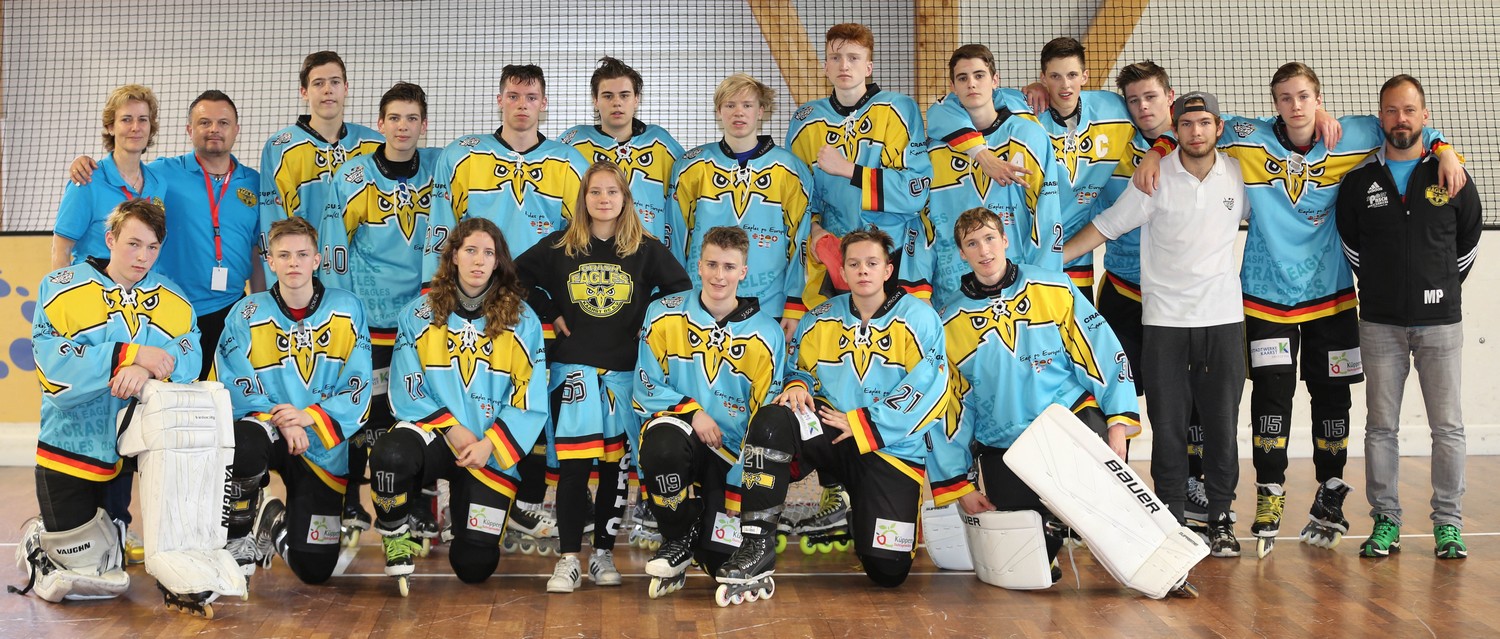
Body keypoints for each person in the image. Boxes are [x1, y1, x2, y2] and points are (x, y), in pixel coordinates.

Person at [1133, 62, 1466, 556]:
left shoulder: (1352, 134)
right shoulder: (1247, 137)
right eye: (1286, 98)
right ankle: (1269, 493)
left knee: (1333, 397)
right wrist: (1157, 150)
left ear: (1318, 99)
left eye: (1304, 96)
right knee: (1272, 399)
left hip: (1331, 298)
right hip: (1267, 300)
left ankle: (1330, 491)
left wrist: (1447, 150)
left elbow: (1407, 125)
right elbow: (1191, 126)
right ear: (1274, 104)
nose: (1295, 106)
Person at [1063, 92, 1250, 558]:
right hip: (1165, 324)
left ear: (1218, 127)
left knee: (1222, 426)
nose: (1195, 132)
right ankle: (1172, 520)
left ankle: (1221, 518)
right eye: (1186, 124)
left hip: (1224, 322)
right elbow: (1106, 225)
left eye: (1204, 123)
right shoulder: (1155, 177)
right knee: (1167, 427)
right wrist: (1050, 263)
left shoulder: (1239, 173)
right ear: (1175, 129)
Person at [723, 227, 950, 604]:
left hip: (889, 448)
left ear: (887, 270)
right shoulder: (820, 317)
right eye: (854, 264)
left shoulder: (920, 317)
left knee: (887, 571)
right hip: (828, 429)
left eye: (872, 263)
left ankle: (857, 511)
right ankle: (756, 546)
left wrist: (864, 423)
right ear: (842, 271)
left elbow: (932, 386)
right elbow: (796, 369)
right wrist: (797, 384)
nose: (863, 271)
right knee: (771, 421)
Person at [425, 64, 589, 553]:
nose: (522, 104)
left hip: (540, 309)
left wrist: (568, 305)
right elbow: (441, 228)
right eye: (513, 95)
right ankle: (461, 502)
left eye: (531, 97)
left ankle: (525, 503)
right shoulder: (461, 155)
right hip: (470, 304)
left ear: (544, 104)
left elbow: (577, 242)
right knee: (472, 397)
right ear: (499, 100)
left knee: (532, 405)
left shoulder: (570, 162)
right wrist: (436, 294)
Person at [932, 208, 1138, 577]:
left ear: (1005, 240)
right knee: (1027, 568)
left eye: (990, 238)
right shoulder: (948, 321)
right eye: (972, 244)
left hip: (1067, 424)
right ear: (962, 253)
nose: (984, 250)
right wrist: (959, 483)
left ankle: (1085, 520)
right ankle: (1059, 523)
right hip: (1005, 445)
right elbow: (951, 411)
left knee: (1108, 516)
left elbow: (1103, 353)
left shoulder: (1054, 287)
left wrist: (1118, 425)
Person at [515, 160, 691, 593]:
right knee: (574, 469)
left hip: (623, 377)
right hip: (573, 372)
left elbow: (681, 290)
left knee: (616, 471)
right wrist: (549, 311)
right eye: (595, 191)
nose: (604, 199)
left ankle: (603, 554)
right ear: (583, 199)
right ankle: (568, 559)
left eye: (612, 191)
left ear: (625, 198)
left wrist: (645, 323)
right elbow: (513, 277)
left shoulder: (645, 249)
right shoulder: (560, 245)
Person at [19, 199, 201, 603]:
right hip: (69, 448)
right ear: (110, 239)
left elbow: (191, 353)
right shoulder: (60, 288)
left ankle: (110, 536)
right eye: (133, 244)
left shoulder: (174, 298)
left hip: (129, 451)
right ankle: (39, 542)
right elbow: (53, 367)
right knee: (86, 575)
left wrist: (147, 370)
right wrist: (129, 354)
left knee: (108, 571)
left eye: (152, 247)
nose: (142, 257)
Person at [1335, 75, 1481, 560]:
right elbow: (1351, 243)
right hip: (1380, 323)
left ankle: (1449, 525)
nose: (1401, 119)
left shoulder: (1450, 174)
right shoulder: (1359, 181)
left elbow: (1468, 239)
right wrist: (1383, 287)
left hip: (1441, 324)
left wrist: (1440, 286)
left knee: (1448, 427)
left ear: (1425, 116)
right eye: (1392, 110)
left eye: (1409, 110)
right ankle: (1386, 521)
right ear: (1381, 117)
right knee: (1381, 427)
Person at [368, 216, 549, 591]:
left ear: (498, 261)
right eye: (470, 251)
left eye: (488, 253)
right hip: (435, 435)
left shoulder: (523, 321)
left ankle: (468, 510)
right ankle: (395, 530)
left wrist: (489, 444)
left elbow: (529, 398)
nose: (479, 260)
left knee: (474, 565)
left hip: (486, 449)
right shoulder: (418, 314)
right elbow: (406, 386)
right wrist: (451, 427)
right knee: (390, 455)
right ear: (453, 256)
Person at [632, 226, 788, 600]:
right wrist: (693, 413)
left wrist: (739, 486)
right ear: (698, 266)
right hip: (679, 432)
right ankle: (677, 537)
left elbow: (766, 418)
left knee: (719, 562)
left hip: (729, 455)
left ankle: (701, 532)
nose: (719, 275)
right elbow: (645, 385)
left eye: (729, 267)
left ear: (743, 272)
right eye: (712, 265)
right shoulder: (662, 313)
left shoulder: (768, 333)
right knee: (662, 447)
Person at [214, 217, 373, 585]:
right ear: (270, 261)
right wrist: (281, 418)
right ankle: (236, 539)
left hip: (322, 442)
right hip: (269, 428)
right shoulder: (246, 313)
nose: (293, 263)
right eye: (284, 255)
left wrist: (308, 417)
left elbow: (358, 385)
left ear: (316, 260)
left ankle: (270, 520)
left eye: (302, 254)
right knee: (243, 443)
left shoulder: (348, 308)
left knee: (315, 569)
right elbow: (231, 381)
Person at [70, 90, 264, 380]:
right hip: (172, 309)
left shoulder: (254, 182)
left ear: (236, 129)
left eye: (223, 123)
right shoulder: (162, 174)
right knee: (174, 395)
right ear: (189, 130)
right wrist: (84, 163)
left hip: (232, 308)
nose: (214, 129)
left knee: (230, 395)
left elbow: (256, 250)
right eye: (204, 122)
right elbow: (124, 169)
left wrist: (258, 306)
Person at [325, 81, 443, 546]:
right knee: (364, 412)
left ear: (424, 125)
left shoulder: (439, 167)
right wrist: (340, 313)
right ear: (380, 124)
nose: (403, 127)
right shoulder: (352, 177)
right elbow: (334, 246)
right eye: (394, 118)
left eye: (412, 118)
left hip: (424, 318)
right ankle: (351, 502)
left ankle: (422, 506)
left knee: (420, 409)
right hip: (369, 318)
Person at [927, 37, 1134, 302]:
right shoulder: (1022, 106)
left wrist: (1157, 151)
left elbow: (1159, 116)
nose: (1065, 85)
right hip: (1026, 254)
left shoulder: (1114, 109)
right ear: (1043, 79)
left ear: (1085, 76)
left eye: (1072, 75)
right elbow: (942, 110)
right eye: (1055, 76)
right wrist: (981, 154)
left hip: (1076, 252)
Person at [785, 23, 933, 311]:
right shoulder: (805, 120)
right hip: (834, 260)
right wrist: (814, 230)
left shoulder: (898, 109)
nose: (844, 65)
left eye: (853, 58)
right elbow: (797, 197)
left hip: (893, 255)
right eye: (835, 58)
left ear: (869, 67)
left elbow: (914, 192)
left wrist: (849, 170)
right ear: (825, 66)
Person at [669, 73, 813, 341]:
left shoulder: (791, 170)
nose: (739, 112)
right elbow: (676, 237)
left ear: (761, 111)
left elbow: (800, 241)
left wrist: (794, 303)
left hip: (768, 304)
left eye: (747, 105)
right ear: (718, 111)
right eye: (730, 105)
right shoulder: (690, 166)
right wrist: (676, 295)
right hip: (700, 301)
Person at [926, 44, 1063, 310]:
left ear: (995, 80)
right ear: (953, 87)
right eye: (962, 78)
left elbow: (1047, 217)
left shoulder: (1028, 136)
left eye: (979, 75)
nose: (971, 84)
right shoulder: (936, 149)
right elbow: (925, 224)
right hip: (953, 290)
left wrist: (1045, 282)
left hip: (1019, 286)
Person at [260, 51, 383, 281]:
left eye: (335, 82)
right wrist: (279, 285)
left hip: (364, 277)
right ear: (304, 92)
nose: (328, 89)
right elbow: (273, 220)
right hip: (305, 277)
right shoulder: (280, 147)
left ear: (346, 88)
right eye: (318, 83)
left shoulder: (374, 145)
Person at [560, 57, 688, 264]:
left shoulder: (661, 144)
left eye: (624, 95)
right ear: (595, 100)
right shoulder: (574, 144)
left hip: (647, 260)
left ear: (636, 99)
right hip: (587, 259)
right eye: (607, 96)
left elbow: (685, 198)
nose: (616, 102)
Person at [54, 84, 166, 269]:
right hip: (94, 282)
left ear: (150, 127)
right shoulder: (87, 180)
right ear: (110, 127)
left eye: (143, 119)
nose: (135, 127)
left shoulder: (159, 183)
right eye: (126, 119)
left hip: (141, 284)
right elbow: (60, 251)